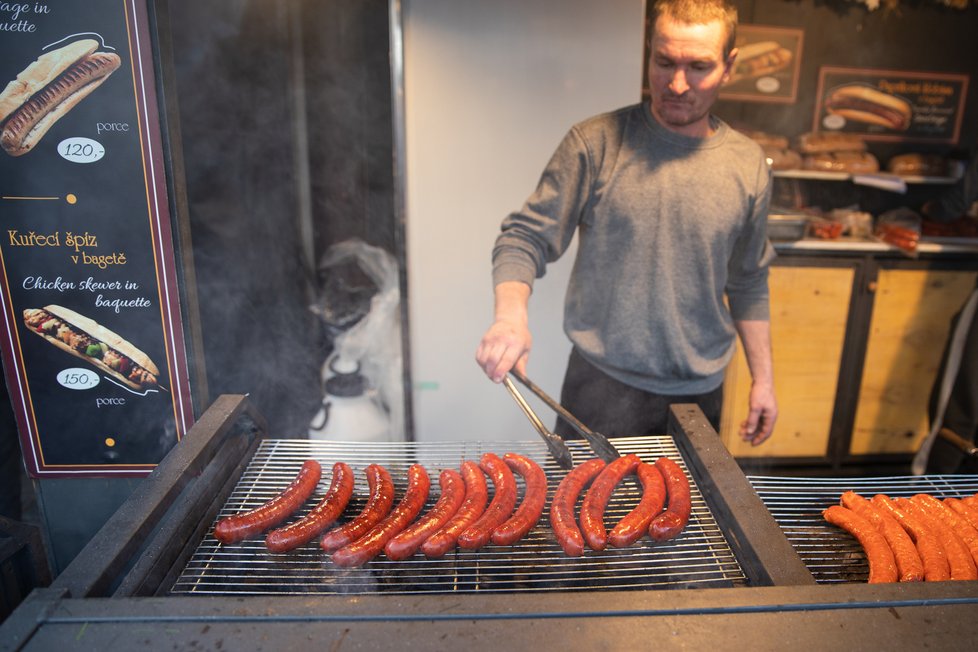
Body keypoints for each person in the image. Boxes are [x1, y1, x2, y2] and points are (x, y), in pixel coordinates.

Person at [475, 0, 777, 445]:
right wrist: (509, 318)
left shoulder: (749, 163)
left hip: (699, 394)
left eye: (698, 67)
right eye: (664, 62)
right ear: (648, 51)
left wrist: (764, 380)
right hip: (599, 387)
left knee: (684, 515)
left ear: (729, 66)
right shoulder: (595, 143)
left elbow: (749, 280)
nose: (677, 84)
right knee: (577, 513)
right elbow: (524, 237)